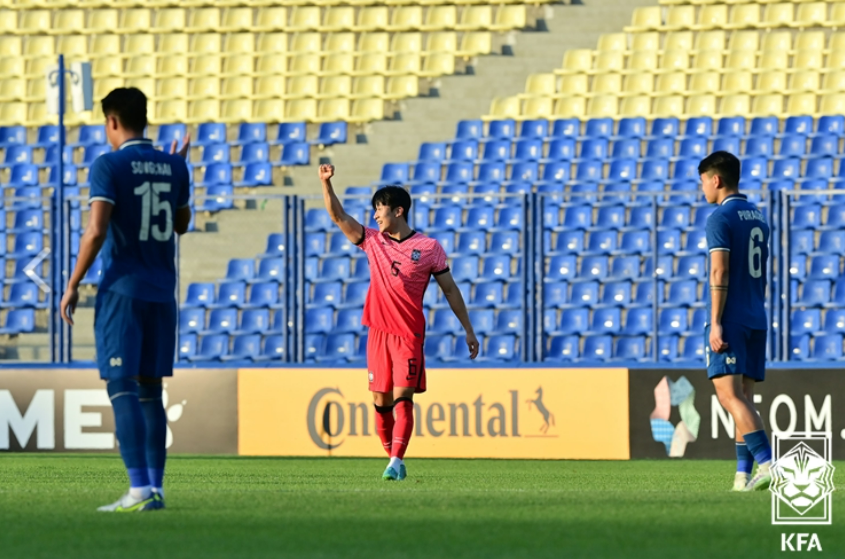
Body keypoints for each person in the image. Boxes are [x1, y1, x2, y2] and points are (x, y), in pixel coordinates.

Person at [60, 87, 192, 511]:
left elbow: (96, 231)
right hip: (162, 293)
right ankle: (156, 490)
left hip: (122, 291)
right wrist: (178, 173)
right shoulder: (175, 166)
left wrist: (73, 283)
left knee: (122, 387)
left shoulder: (108, 165)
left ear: (112, 122)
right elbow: (182, 225)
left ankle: (137, 489)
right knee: (153, 391)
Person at [319, 164, 479, 481]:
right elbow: (339, 217)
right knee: (381, 402)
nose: (376, 217)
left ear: (399, 211)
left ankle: (395, 460)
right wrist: (326, 184)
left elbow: (450, 288)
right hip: (378, 332)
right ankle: (395, 459)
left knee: (403, 398)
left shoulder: (429, 248)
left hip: (408, 334)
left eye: (380, 210)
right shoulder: (373, 241)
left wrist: (468, 329)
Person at [699, 151, 773, 492]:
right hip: (757, 315)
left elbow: (720, 270)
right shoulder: (758, 217)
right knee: (744, 397)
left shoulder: (719, 217)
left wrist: (715, 321)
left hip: (732, 318)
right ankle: (742, 476)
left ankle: (770, 464)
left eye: (703, 182)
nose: (703, 189)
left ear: (715, 180)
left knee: (729, 396)